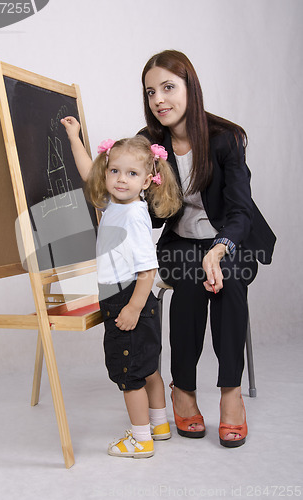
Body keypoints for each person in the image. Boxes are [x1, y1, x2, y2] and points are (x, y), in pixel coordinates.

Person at [139, 50, 276, 448]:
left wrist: (219, 250)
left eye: (168, 87)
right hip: (180, 241)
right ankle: (183, 389)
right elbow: (148, 218)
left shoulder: (226, 138)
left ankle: (230, 394)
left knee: (228, 283)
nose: (159, 100)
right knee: (190, 282)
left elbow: (240, 209)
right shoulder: (150, 144)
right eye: (151, 92)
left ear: (189, 88)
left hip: (229, 237)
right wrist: (135, 190)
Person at [61, 117, 182, 458]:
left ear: (148, 180)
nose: (120, 179)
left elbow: (148, 270)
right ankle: (158, 425)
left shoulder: (131, 217)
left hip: (131, 300)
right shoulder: (116, 205)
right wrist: (74, 136)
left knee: (130, 375)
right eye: (114, 172)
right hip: (135, 301)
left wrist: (132, 308)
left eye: (131, 174)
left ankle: (140, 439)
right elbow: (89, 173)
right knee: (149, 368)